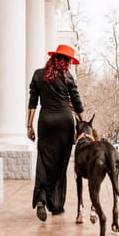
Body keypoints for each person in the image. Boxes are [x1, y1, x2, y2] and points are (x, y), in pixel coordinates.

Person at [27, 44, 84, 222]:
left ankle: (42, 199)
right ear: (65, 62)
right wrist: (83, 124)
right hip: (65, 123)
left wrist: (29, 126)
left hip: (46, 122)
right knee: (60, 164)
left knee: (44, 161)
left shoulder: (38, 74)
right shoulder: (68, 77)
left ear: (53, 58)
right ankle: (56, 204)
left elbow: (33, 102)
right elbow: (77, 102)